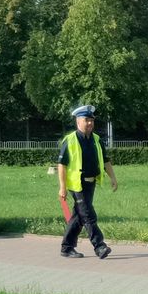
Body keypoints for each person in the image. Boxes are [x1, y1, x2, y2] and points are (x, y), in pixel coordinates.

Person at [57, 104, 118, 259]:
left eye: (91, 120)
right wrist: (62, 188)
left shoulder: (97, 139)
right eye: (86, 120)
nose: (90, 123)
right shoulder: (69, 140)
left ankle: (66, 248)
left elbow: (105, 160)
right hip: (77, 184)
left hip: (91, 183)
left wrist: (113, 178)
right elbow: (61, 165)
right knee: (88, 215)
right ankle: (100, 246)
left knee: (79, 216)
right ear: (78, 121)